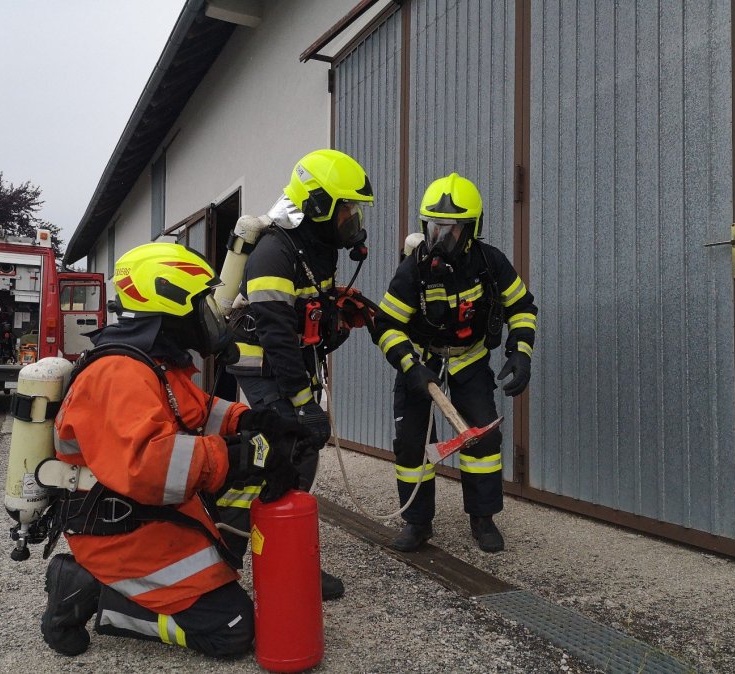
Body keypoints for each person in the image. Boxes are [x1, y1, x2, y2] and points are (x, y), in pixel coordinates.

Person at [42, 242, 311, 658]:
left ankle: (206, 567)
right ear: (170, 305)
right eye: (201, 303)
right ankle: (89, 589)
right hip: (119, 531)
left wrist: (256, 423)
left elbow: (199, 412)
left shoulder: (152, 364)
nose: (210, 315)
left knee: (251, 482)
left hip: (145, 516)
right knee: (233, 631)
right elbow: (150, 467)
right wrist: (241, 455)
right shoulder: (118, 374)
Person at [224, 148, 374, 600]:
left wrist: (338, 316)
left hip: (289, 360)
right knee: (288, 445)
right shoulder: (274, 252)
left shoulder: (316, 247)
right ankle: (244, 557)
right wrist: (304, 403)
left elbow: (309, 310)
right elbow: (276, 334)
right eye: (347, 209)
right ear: (318, 205)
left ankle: (278, 552)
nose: (352, 218)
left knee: (294, 450)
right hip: (263, 362)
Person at [373, 173, 537, 553]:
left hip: (469, 359)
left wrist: (521, 353)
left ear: (471, 229)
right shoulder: (413, 268)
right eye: (434, 227)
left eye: (451, 230)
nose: (440, 237)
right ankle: (417, 523)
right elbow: (386, 324)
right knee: (412, 443)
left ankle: (483, 519)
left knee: (483, 437)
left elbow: (522, 307)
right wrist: (410, 365)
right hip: (422, 361)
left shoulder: (490, 262)